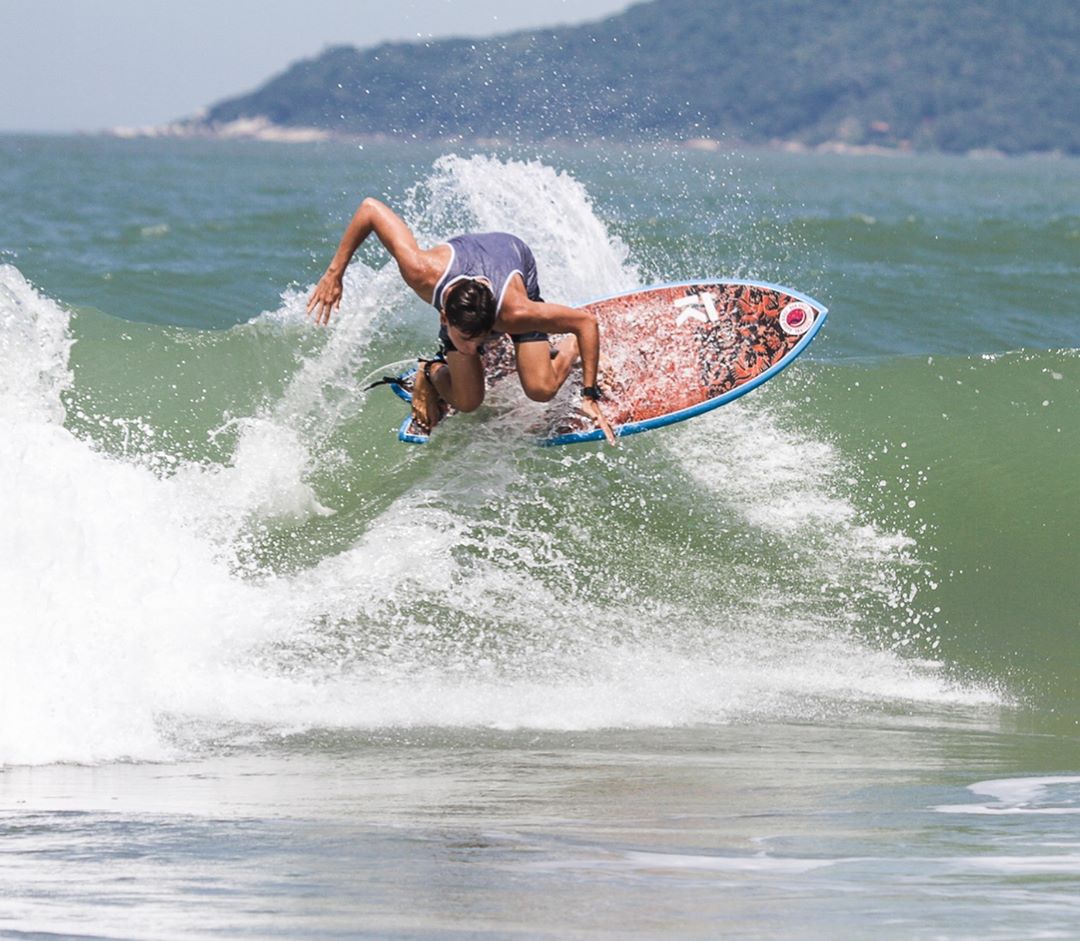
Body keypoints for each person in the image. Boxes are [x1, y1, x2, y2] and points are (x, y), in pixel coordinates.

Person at [306, 197, 615, 444]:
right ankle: (430, 371)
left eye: (480, 340)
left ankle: (568, 348)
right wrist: (335, 274)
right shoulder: (421, 272)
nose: (471, 348)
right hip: (463, 270)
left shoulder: (516, 312)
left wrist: (590, 395)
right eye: (464, 339)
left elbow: (586, 322)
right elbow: (370, 209)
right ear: (444, 317)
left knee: (540, 389)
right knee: (468, 401)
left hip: (511, 253)